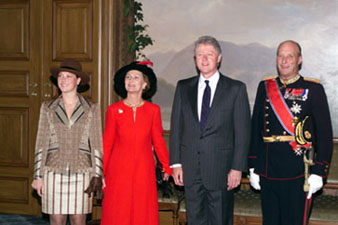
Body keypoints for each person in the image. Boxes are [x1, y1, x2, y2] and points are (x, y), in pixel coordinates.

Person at [249, 40, 333, 225]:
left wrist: (319, 171)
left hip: (298, 174)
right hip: (268, 170)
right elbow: (255, 129)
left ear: (299, 60)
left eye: (290, 56)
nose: (284, 60)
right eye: (281, 55)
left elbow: (325, 136)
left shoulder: (313, 89)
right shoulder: (265, 87)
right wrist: (253, 166)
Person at [170, 36, 251, 225]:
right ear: (195, 59)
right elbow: (176, 129)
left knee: (220, 220)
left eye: (209, 54)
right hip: (190, 170)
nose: (204, 59)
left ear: (219, 58)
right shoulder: (183, 87)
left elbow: (242, 133)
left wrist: (237, 168)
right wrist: (175, 164)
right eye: (200, 55)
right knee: (195, 220)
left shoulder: (235, 89)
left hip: (221, 171)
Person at [31, 58, 103, 225]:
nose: (63, 80)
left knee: (79, 220)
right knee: (57, 220)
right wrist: (38, 176)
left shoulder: (91, 108)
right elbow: (41, 142)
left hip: (82, 172)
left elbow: (97, 144)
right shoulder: (48, 108)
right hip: (54, 172)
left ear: (78, 81)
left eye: (68, 76)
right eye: (61, 76)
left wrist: (97, 175)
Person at [101, 61, 172, 225]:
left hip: (144, 169)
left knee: (142, 212)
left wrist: (166, 166)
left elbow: (158, 141)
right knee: (117, 212)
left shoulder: (153, 111)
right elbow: (107, 143)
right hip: (117, 170)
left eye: (136, 77)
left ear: (145, 84)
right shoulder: (113, 110)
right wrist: (101, 172)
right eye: (128, 77)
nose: (131, 80)